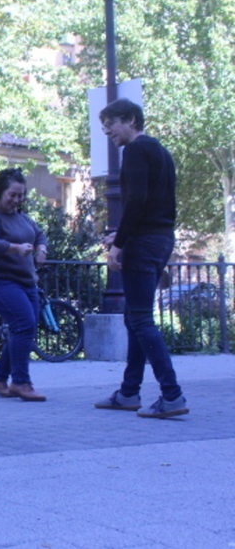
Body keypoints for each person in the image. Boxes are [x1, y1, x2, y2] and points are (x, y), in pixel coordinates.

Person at [95, 98, 188, 418]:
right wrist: (122, 234)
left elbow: (136, 200)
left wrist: (119, 244)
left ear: (131, 119)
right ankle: (128, 392)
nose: (107, 131)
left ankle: (172, 395)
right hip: (160, 239)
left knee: (141, 320)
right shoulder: (161, 151)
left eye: (111, 124)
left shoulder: (134, 150)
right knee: (134, 318)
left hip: (143, 244)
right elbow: (153, 206)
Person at [0, 168, 48, 401]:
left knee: (23, 328)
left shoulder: (22, 218)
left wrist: (42, 249)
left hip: (27, 283)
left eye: (21, 195)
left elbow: (39, 235)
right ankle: (21, 382)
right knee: (24, 324)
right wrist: (15, 248)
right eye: (13, 195)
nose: (17, 200)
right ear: (0, 192)